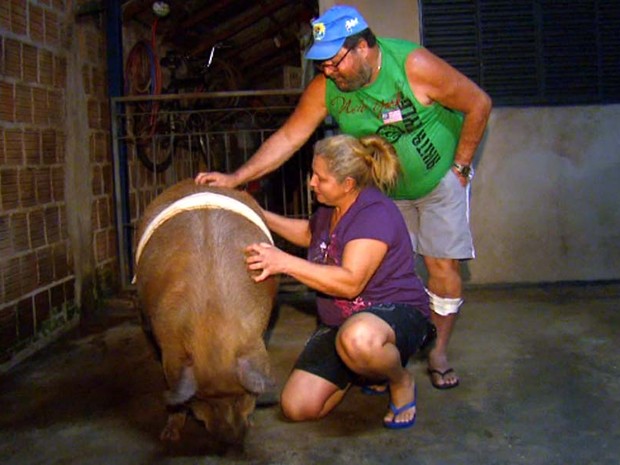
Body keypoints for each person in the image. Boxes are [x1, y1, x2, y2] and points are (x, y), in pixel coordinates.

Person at [196, 5, 492, 390]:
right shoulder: (327, 88)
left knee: (441, 269)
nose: (328, 73)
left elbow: (478, 104)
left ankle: (437, 351)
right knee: (371, 277)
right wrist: (237, 177)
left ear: (364, 47)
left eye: (335, 63)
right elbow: (290, 137)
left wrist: (462, 168)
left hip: (437, 183)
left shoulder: (414, 66)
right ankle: (382, 358)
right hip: (381, 193)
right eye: (322, 66)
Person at [245, 133, 432, 429]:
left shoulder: (374, 213)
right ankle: (366, 369)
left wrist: (283, 262)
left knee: (358, 339)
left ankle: (399, 380)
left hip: (394, 313)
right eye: (312, 174)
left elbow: (349, 283)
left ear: (348, 185)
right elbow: (310, 235)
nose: (312, 183)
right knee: (296, 407)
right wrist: (257, 213)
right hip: (341, 323)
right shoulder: (329, 209)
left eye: (321, 178)